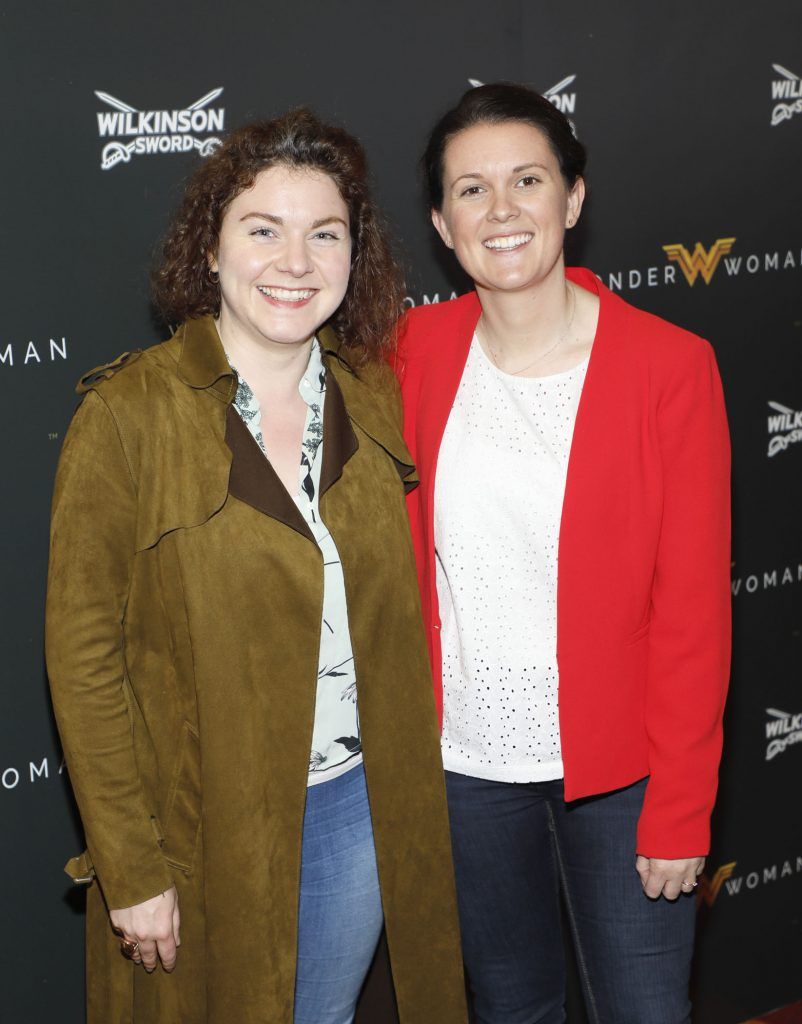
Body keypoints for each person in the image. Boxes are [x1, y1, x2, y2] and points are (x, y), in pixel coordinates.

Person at [45, 109, 467, 1024]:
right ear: (211, 248)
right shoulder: (127, 416)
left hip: (357, 808)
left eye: (326, 234)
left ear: (355, 256)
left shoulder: (373, 397)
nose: (296, 262)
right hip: (202, 830)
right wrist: (131, 866)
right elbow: (84, 666)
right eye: (263, 229)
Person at [396, 83, 731, 1024]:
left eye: (527, 181)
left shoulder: (669, 365)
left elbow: (695, 610)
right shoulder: (409, 351)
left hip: (623, 778)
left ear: (572, 199)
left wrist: (681, 808)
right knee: (511, 1008)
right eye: (470, 190)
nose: (500, 211)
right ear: (440, 220)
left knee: (642, 1009)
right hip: (463, 771)